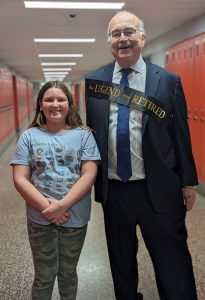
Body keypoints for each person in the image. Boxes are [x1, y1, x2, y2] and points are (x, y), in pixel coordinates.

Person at [85, 10, 198, 300]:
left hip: (159, 190)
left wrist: (188, 182)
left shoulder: (167, 81)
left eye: (129, 32)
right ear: (109, 41)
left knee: (173, 266)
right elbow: (94, 134)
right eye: (115, 34)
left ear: (142, 38)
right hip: (115, 193)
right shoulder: (95, 82)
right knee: (122, 268)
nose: (123, 39)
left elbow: (181, 135)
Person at [10, 81, 100, 300]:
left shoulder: (84, 135)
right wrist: (47, 208)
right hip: (40, 218)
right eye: (49, 99)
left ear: (69, 104)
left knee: (68, 274)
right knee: (44, 275)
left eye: (61, 99)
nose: (55, 104)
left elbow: (89, 174)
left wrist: (61, 206)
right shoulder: (29, 136)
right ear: (41, 104)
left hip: (74, 217)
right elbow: (20, 178)